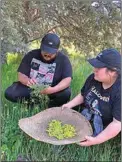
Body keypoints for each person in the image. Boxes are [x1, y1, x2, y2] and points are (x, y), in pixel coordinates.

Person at [62, 48, 121, 146]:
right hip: (90, 112)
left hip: (110, 122)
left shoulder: (119, 91)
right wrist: (69, 105)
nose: (94, 69)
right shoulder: (93, 78)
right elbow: (82, 95)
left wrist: (96, 140)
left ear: (112, 71)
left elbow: (117, 123)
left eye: (99, 67)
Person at [5, 33, 72, 107]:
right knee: (10, 93)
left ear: (57, 51)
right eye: (45, 51)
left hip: (52, 90)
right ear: (41, 46)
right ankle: (31, 103)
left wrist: (52, 90)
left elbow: (67, 80)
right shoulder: (31, 55)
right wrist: (27, 81)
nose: (47, 54)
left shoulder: (64, 60)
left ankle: (47, 107)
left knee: (66, 93)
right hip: (32, 88)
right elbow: (21, 75)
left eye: (51, 53)